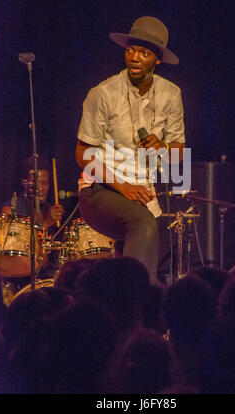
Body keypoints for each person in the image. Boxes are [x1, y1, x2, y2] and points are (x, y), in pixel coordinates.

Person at [75, 16, 185, 281]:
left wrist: (163, 147)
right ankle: (137, 300)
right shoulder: (103, 94)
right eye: (130, 50)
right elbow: (82, 154)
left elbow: (180, 152)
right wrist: (122, 186)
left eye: (144, 53)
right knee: (143, 222)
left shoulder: (171, 94)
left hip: (143, 195)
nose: (134, 57)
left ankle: (121, 309)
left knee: (139, 240)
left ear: (157, 59)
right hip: (100, 189)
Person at [1, 155, 64, 229]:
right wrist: (47, 222)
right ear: (24, 183)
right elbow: (18, 239)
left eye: (45, 184)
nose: (40, 188)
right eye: (36, 183)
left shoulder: (48, 209)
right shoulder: (10, 210)